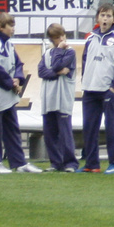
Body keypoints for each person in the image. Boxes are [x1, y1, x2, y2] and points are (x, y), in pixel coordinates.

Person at [0, 11, 40, 173]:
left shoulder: (9, 45)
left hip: (7, 93)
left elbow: (18, 64)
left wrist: (18, 79)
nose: (13, 29)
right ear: (1, 26)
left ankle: (19, 163)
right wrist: (10, 83)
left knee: (12, 128)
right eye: (10, 26)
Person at [80, 4, 114, 173]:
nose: (105, 19)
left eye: (109, 16)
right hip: (89, 89)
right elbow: (86, 60)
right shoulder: (90, 37)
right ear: (97, 18)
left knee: (111, 127)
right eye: (103, 15)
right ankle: (91, 164)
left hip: (107, 90)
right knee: (89, 128)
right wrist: (84, 80)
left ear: (113, 19)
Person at [36, 23, 80, 172]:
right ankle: (56, 163)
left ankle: (70, 163)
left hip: (63, 97)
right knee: (49, 133)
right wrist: (56, 72)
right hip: (49, 97)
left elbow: (55, 65)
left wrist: (59, 51)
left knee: (65, 131)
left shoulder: (70, 52)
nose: (61, 39)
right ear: (51, 39)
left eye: (62, 35)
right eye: (57, 37)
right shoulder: (47, 53)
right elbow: (41, 72)